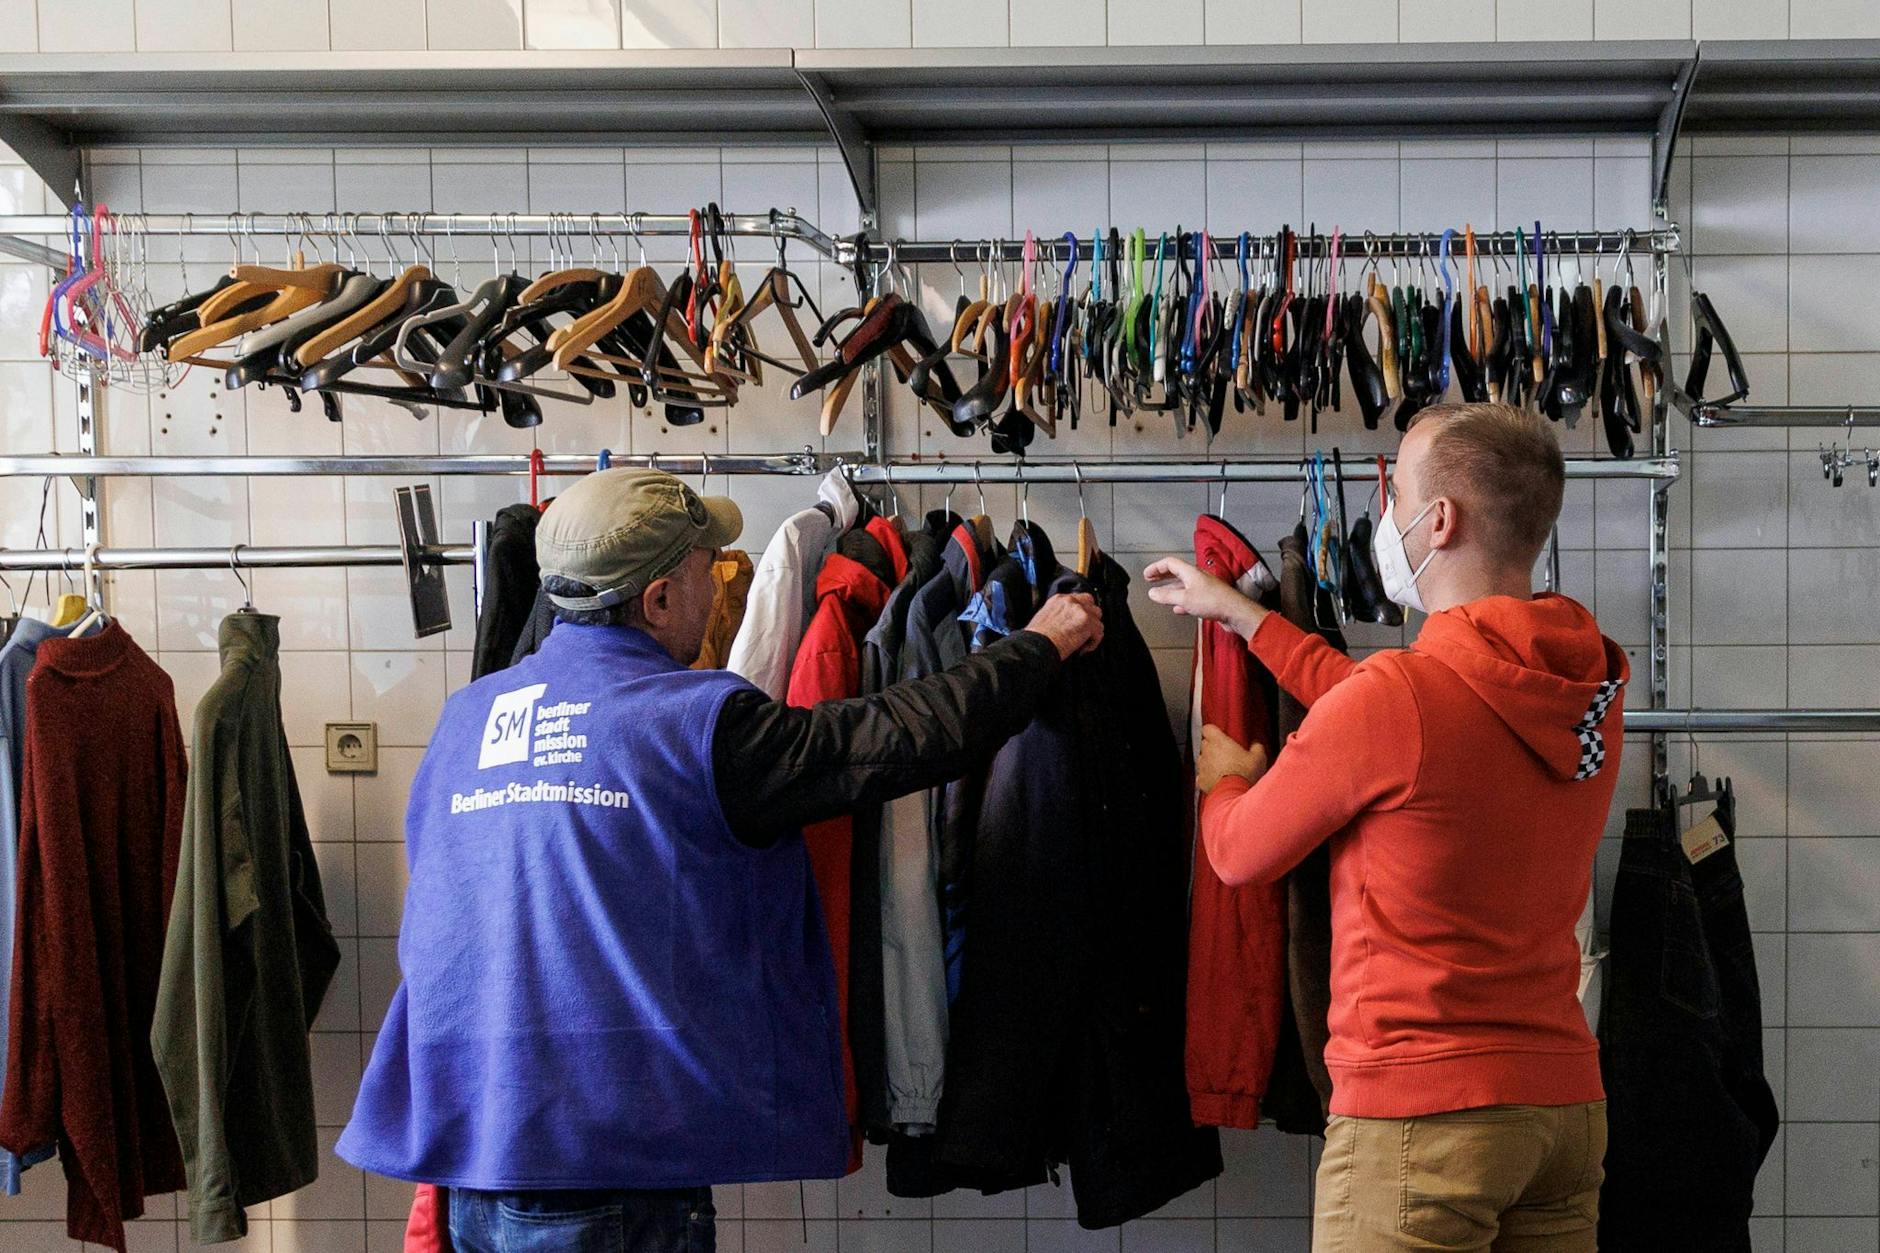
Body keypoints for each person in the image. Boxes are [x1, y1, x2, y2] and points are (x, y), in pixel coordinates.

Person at [335, 468, 1103, 1253]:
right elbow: (898, 737)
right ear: (660, 598)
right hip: (609, 1183)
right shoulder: (697, 725)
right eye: (708, 564)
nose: (719, 578)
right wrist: (1040, 646)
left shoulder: (466, 720)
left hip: (472, 1168)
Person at [1146, 402, 1628, 1253]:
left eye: (1396, 489)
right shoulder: (1583, 689)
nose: (1386, 512)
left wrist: (1226, 782)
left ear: (1439, 521)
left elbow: (1238, 852)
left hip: (1425, 1125)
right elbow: (1395, 708)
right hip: (1563, 1110)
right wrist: (1243, 614)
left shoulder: (1400, 702)